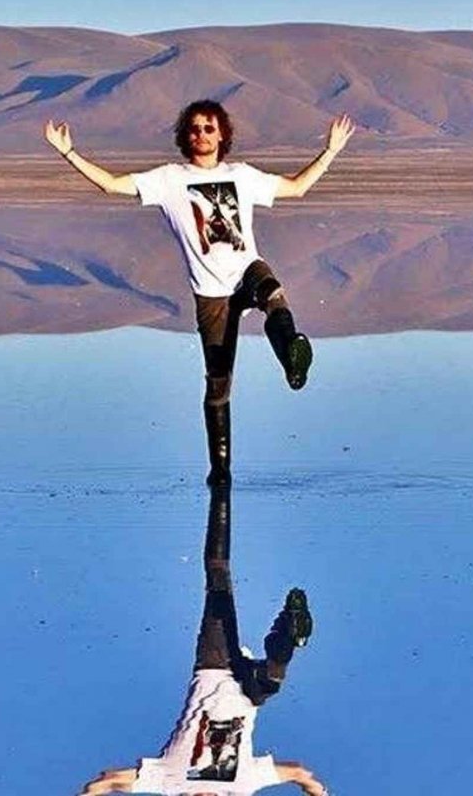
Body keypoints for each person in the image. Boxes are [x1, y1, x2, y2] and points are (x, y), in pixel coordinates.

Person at [44, 101, 354, 485]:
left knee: (271, 289)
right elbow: (112, 184)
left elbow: (297, 188)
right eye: (194, 128)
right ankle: (220, 468)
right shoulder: (169, 179)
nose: (201, 134)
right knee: (218, 379)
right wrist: (68, 153)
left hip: (245, 270)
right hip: (211, 292)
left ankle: (292, 354)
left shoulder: (241, 175)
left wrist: (331, 151)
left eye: (209, 128)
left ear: (222, 134)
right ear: (184, 136)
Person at [76, 482, 328, 796]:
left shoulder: (185, 783)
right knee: (220, 584)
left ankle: (288, 635)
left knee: (270, 676)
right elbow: (107, 781)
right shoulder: (187, 783)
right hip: (226, 673)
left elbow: (300, 774)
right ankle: (220, 485)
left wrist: (316, 791)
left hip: (222, 669)